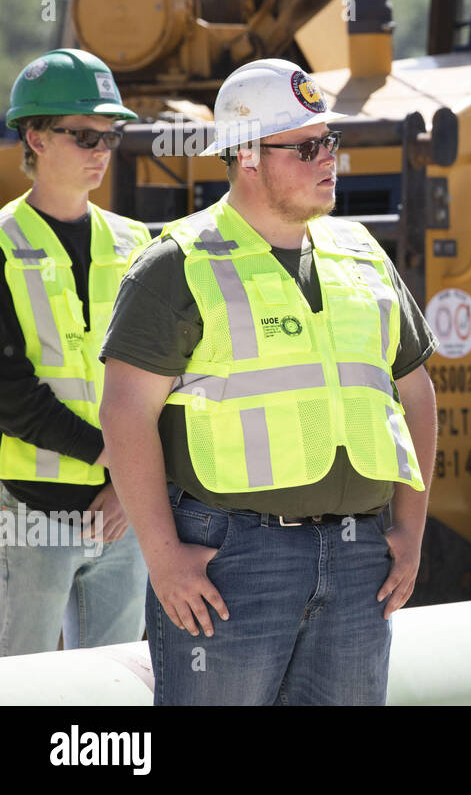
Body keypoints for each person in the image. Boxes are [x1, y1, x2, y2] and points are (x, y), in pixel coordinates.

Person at [99, 58, 438, 705]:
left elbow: (417, 395)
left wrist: (411, 530)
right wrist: (165, 558)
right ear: (247, 155)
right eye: (307, 146)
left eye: (330, 142)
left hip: (360, 555)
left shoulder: (363, 252)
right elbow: (125, 415)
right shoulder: (178, 263)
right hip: (231, 562)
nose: (328, 158)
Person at [0, 49, 151, 656]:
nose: (100, 150)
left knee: (113, 692)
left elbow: (168, 382)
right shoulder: (3, 245)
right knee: (23, 685)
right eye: (83, 134)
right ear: (34, 136)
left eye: (110, 136)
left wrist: (126, 484)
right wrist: (116, 464)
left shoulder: (138, 243)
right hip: (30, 513)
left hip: (124, 514)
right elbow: (11, 396)